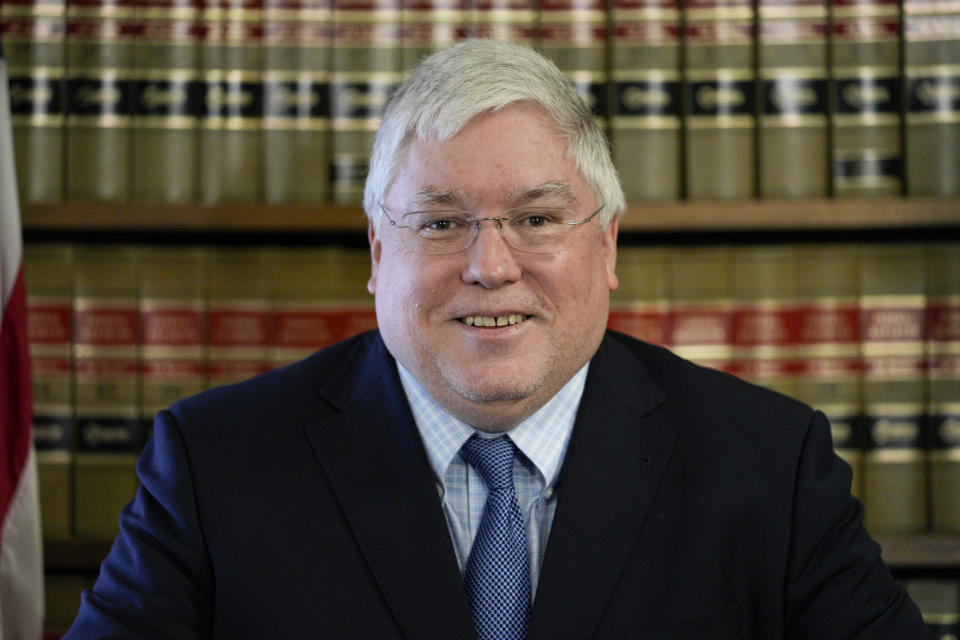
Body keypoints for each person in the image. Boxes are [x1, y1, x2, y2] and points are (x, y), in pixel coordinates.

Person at [65, 39, 926, 639]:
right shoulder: (214, 465)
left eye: (536, 218)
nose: (490, 265)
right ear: (377, 251)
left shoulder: (769, 466)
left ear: (607, 243)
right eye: (440, 223)